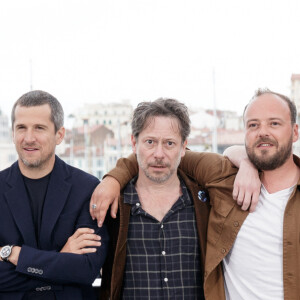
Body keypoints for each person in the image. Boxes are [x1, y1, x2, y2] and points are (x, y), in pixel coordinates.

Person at [92, 89, 300, 299]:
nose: (263, 132)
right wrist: (114, 179)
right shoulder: (225, 179)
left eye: (274, 123)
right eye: (253, 125)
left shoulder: (212, 183)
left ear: (295, 132)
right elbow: (157, 157)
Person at [0, 90, 108, 300]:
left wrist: (14, 255)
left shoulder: (87, 189)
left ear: (59, 135)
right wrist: (61, 259)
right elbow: (72, 269)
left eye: (39, 128)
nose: (28, 138)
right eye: (21, 128)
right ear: (12, 133)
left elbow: (86, 269)